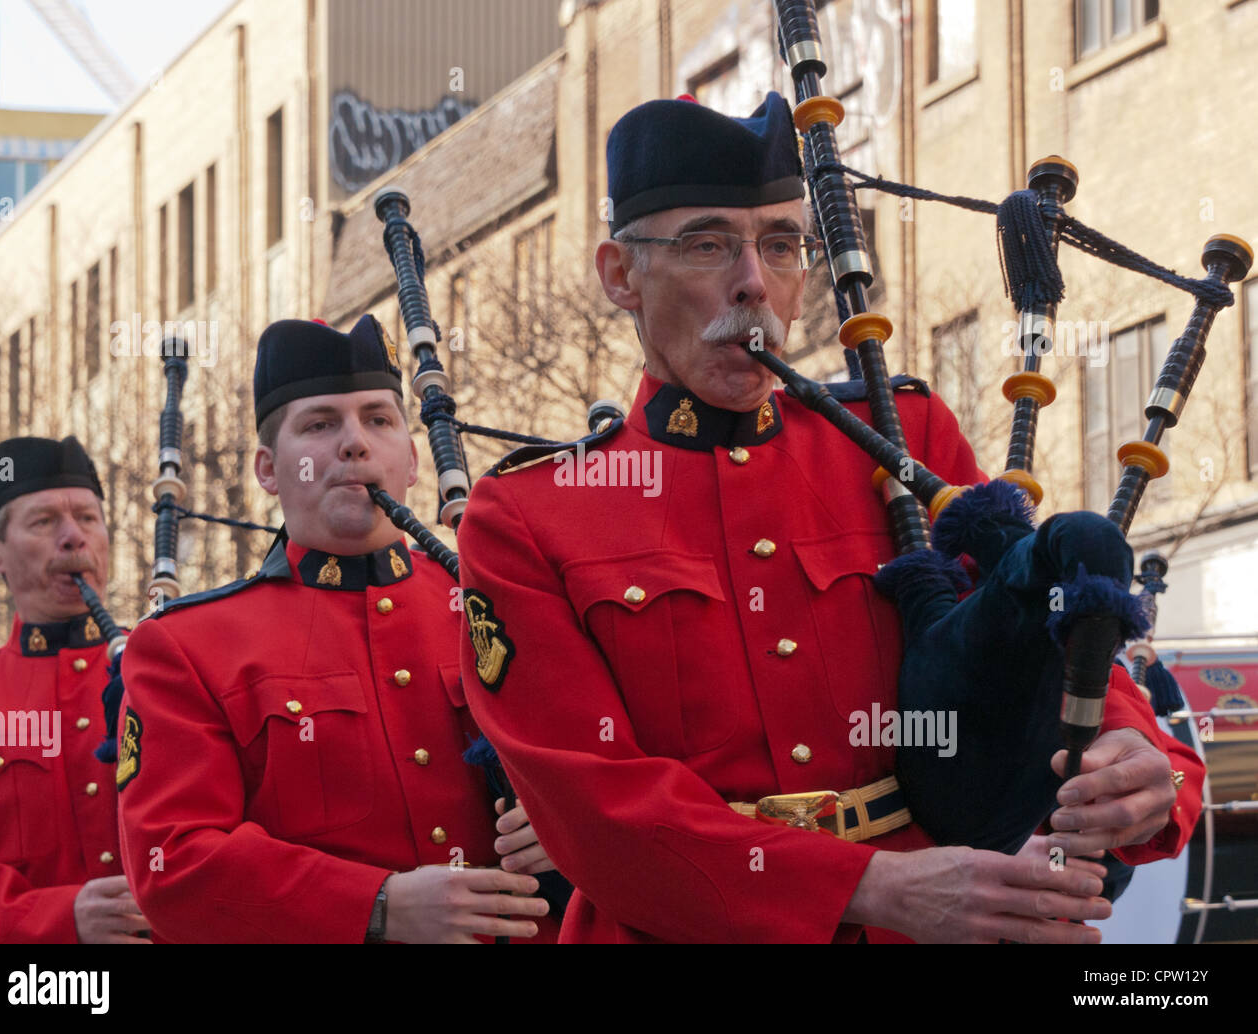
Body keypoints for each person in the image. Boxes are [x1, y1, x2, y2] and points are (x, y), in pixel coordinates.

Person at [455, 93, 1205, 943]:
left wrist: (1134, 757)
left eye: (781, 245)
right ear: (620, 276)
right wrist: (869, 887)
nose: (754, 282)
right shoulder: (526, 514)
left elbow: (1030, 625)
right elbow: (593, 807)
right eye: (708, 245)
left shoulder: (902, 439)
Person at [116, 315, 559, 943]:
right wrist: (380, 906)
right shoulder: (185, 647)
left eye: (379, 419)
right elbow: (175, 864)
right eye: (320, 424)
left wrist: (569, 824)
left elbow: (613, 767)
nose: (354, 442)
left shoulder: (498, 602)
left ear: (411, 457)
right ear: (268, 470)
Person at [0, 435, 148, 943]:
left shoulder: (169, 668)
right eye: (44, 522)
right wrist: (62, 920)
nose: (74, 538)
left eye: (88, 518)